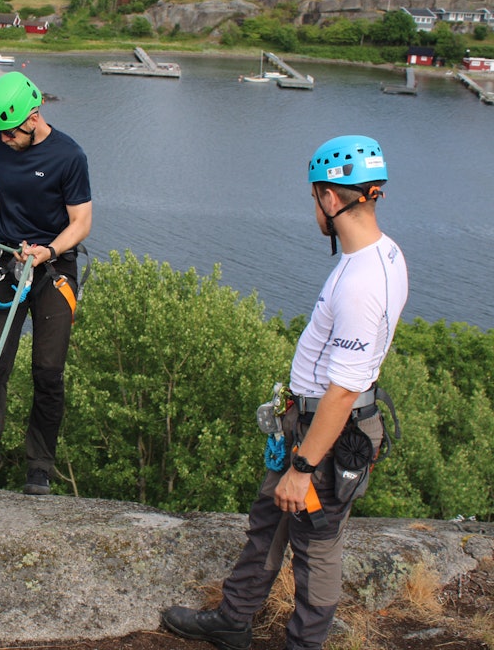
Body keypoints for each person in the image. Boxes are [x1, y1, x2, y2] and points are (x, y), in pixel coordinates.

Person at [161, 135, 408, 650]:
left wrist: (301, 469)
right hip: (308, 426)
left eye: (315, 196)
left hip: (327, 434)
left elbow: (343, 391)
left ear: (333, 198)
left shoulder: (362, 282)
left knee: (316, 546)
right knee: (268, 520)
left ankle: (304, 644)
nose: (314, 207)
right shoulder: (380, 255)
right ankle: (233, 620)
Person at [0, 71, 92, 497]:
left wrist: (49, 252)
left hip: (53, 269)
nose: (4, 140)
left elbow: (81, 222)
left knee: (48, 373)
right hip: (7, 262)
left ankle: (39, 467)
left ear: (33, 118)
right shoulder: (0, 142)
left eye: (11, 132)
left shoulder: (69, 156)